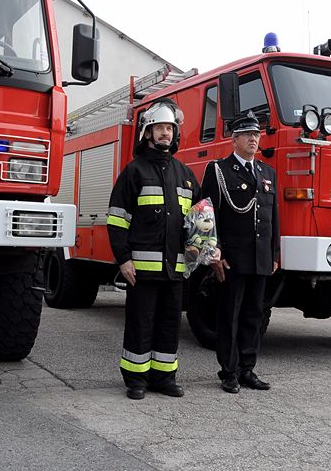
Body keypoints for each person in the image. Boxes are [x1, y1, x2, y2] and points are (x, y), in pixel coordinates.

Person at [106, 99, 201, 400]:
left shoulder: (185, 174)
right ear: (148, 133)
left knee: (169, 323)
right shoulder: (134, 171)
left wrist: (202, 249)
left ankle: (164, 378)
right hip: (142, 270)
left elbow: (201, 219)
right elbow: (117, 219)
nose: (164, 134)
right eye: (159, 128)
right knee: (140, 323)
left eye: (169, 129)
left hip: (175, 270)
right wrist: (123, 259)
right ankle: (136, 379)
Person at [201, 111, 280, 394]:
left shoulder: (267, 173)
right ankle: (229, 371)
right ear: (234, 140)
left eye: (256, 134)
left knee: (253, 315)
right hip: (232, 258)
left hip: (260, 257)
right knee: (229, 315)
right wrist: (214, 252)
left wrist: (274, 254)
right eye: (247, 134)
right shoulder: (219, 170)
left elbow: (273, 218)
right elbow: (208, 214)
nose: (253, 139)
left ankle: (248, 369)